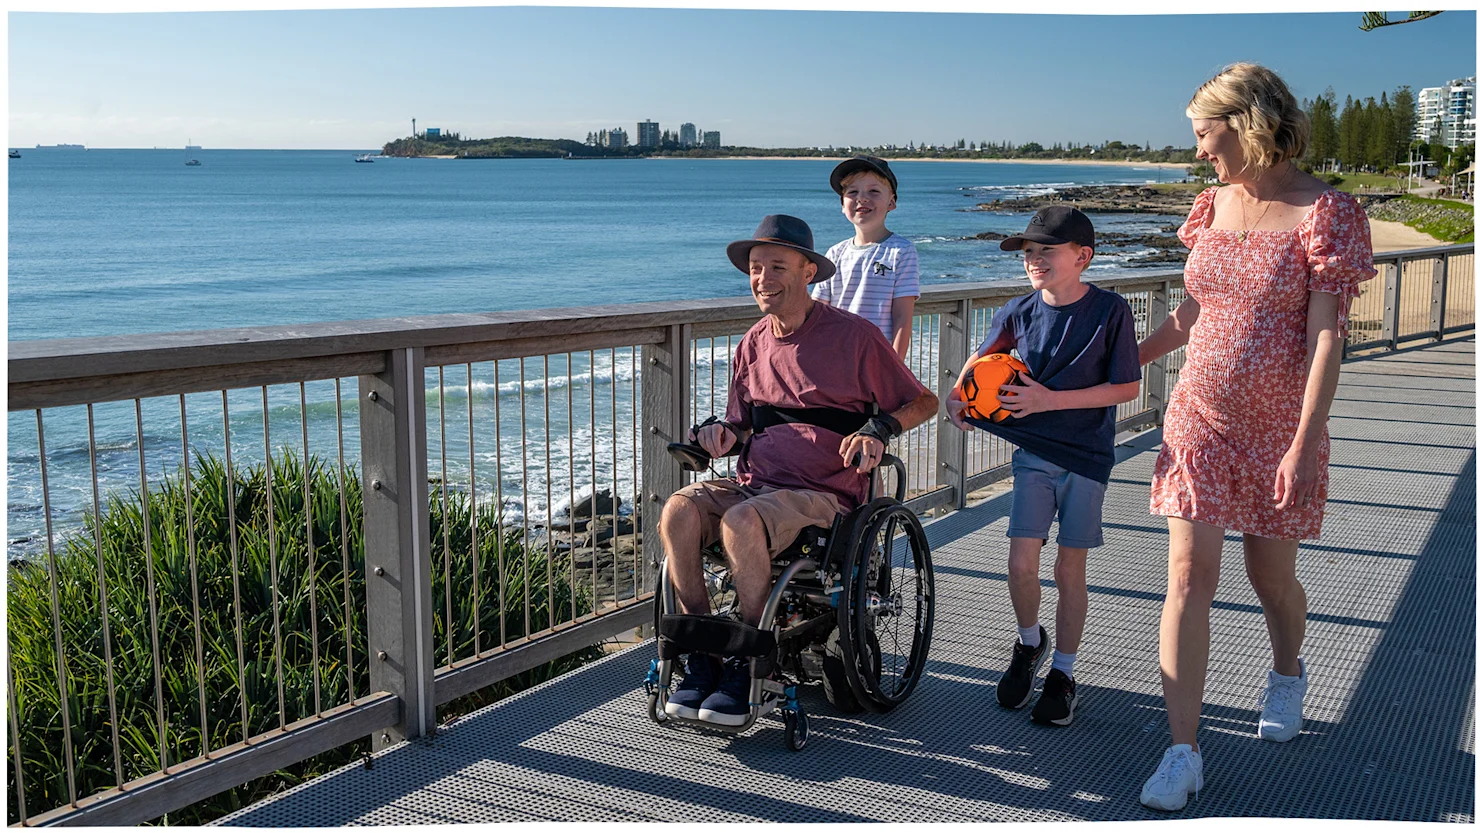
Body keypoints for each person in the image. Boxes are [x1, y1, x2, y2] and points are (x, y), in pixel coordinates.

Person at [1136, 63, 1376, 812]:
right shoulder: (1209, 206)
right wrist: (1108, 363)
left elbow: (1328, 338)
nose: (1200, 152)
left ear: (1246, 125)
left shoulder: (1326, 212)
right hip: (1197, 416)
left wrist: (1306, 440)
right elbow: (1188, 316)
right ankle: (1184, 751)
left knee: (1270, 582)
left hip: (1279, 429)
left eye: (1206, 135)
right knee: (1186, 577)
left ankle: (1286, 670)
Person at [657, 214, 939, 726]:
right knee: (678, 510)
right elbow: (743, 425)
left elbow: (923, 401)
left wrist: (878, 431)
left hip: (824, 494)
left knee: (742, 523)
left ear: (809, 271)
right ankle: (703, 655)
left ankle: (751, 659)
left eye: (777, 266)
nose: (763, 278)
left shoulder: (853, 337)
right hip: (757, 484)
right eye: (756, 267)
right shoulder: (752, 342)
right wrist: (720, 434)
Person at [945, 205, 1141, 727]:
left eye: (1045, 252)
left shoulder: (1110, 312)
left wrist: (1048, 401)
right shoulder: (1017, 310)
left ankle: (1064, 672)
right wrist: (956, 395)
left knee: (1068, 570)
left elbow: (1127, 387)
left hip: (1087, 457)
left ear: (1083, 257)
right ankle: (1029, 643)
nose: (1034, 260)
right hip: (1033, 454)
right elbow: (982, 360)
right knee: (1019, 565)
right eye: (1028, 253)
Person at [810, 156, 921, 358]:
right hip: (836, 358)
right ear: (843, 205)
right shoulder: (835, 253)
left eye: (874, 191)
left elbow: (902, 318)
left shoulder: (902, 251)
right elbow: (818, 312)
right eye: (853, 192)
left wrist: (895, 370)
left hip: (877, 362)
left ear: (892, 202)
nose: (862, 198)